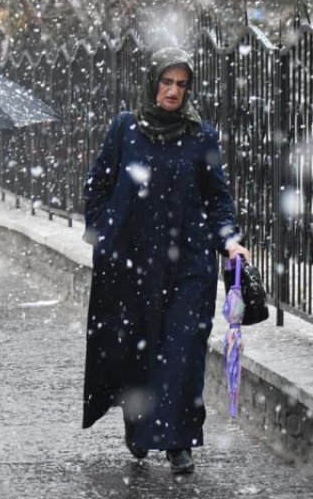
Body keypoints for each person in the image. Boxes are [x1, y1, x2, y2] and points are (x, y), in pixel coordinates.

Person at [82, 47, 251, 475]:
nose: (173, 91)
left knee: (183, 351)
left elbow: (217, 198)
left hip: (190, 263)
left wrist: (230, 241)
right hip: (133, 262)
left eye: (182, 84)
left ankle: (179, 441)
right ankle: (139, 425)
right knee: (138, 348)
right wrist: (104, 235)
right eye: (167, 81)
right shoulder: (125, 129)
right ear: (152, 82)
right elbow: (97, 185)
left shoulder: (201, 136)